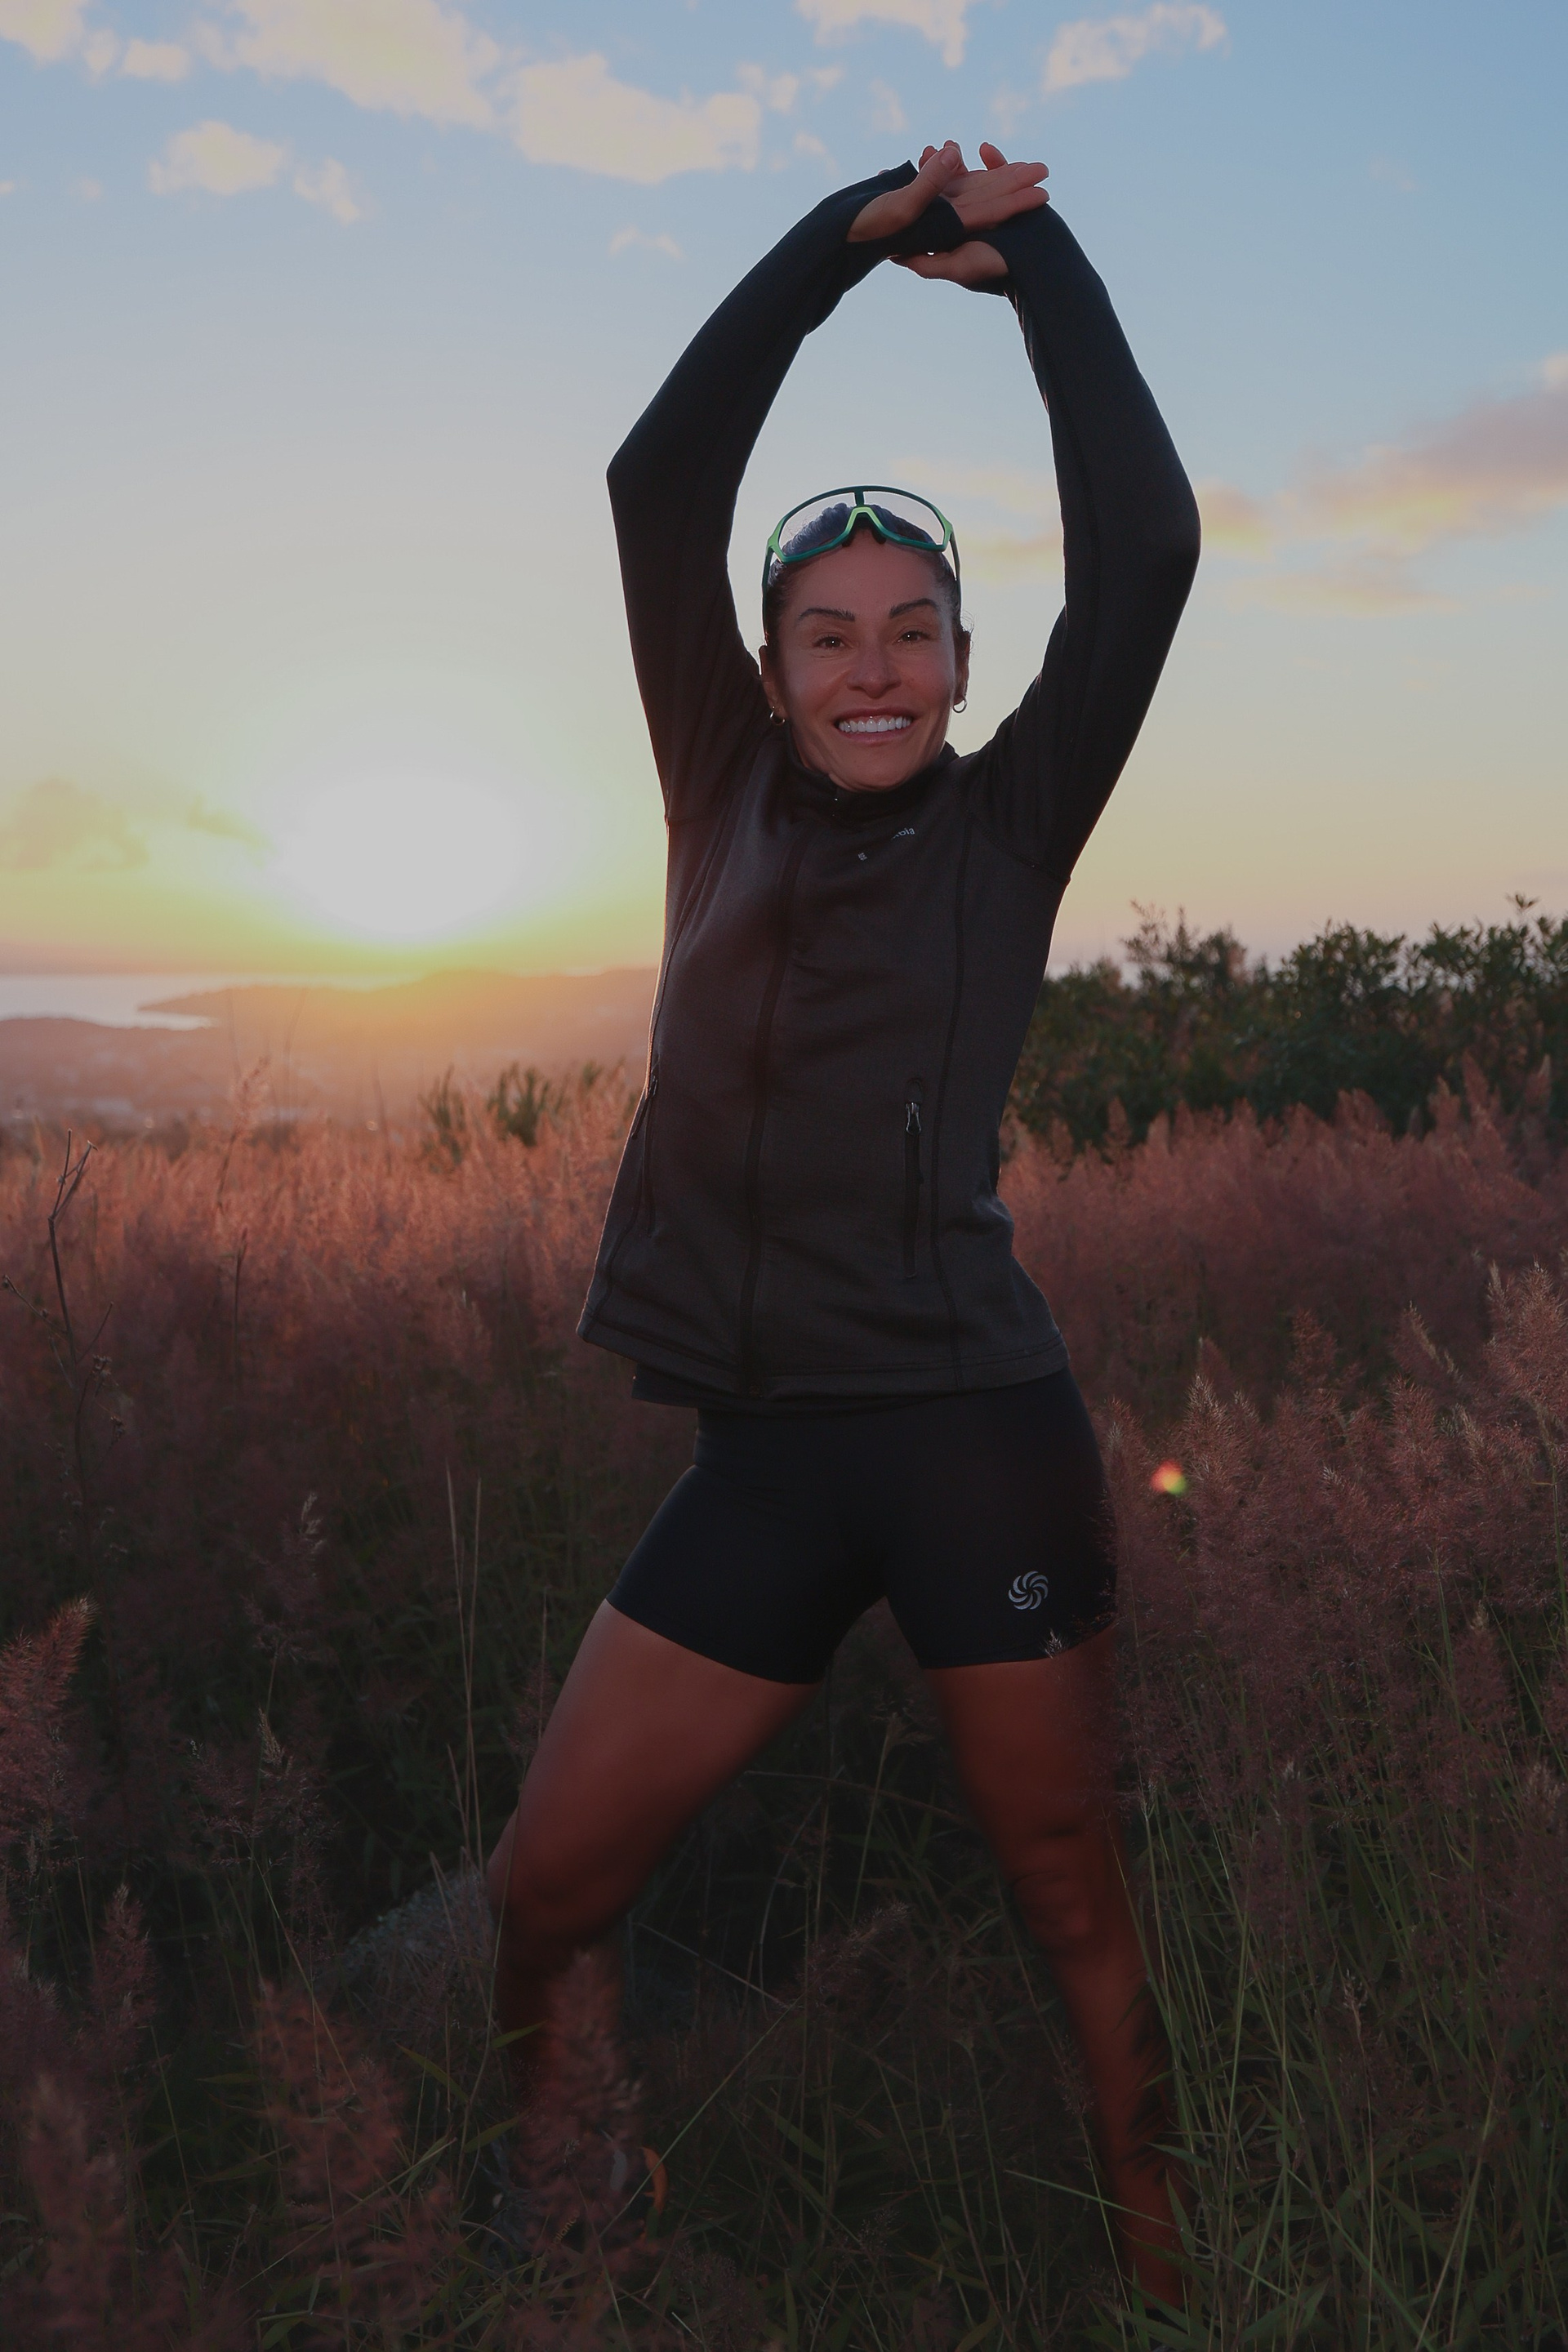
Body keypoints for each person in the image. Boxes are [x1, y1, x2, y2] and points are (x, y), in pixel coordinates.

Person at [488, 140, 1200, 2308]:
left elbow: (1151, 546)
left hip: (975, 1433)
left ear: (964, 665)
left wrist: (1043, 260)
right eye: (829, 636)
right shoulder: (713, 782)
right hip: (769, 1459)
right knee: (545, 1889)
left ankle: (1175, 2270)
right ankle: (574, 2194)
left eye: (911, 634)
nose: (871, 668)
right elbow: (655, 484)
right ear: (772, 664)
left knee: (1065, 1888)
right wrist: (846, 238)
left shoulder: (1014, 821)